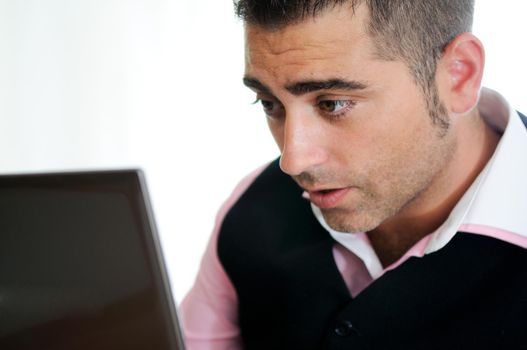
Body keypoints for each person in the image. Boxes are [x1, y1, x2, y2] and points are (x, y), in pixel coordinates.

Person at [181, 1, 527, 348]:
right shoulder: (252, 209)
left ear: (459, 74)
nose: (293, 161)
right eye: (270, 104)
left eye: (332, 104)